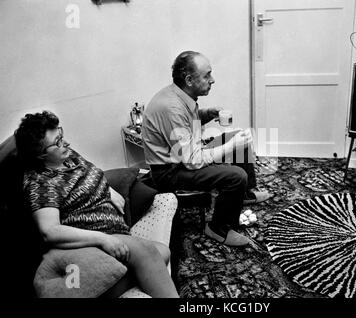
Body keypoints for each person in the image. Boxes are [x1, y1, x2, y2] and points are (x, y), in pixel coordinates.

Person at [15, 111, 179, 298]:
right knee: (148, 252)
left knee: (163, 252)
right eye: (57, 142)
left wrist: (108, 189)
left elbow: (90, 175)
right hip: (91, 242)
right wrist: (103, 239)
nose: (65, 143)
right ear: (40, 156)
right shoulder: (41, 183)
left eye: (61, 134)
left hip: (116, 231)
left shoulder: (67, 157)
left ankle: (106, 290)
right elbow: (49, 230)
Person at [141, 51, 270, 247]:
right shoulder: (172, 107)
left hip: (184, 156)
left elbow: (185, 126)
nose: (213, 80)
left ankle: (244, 195)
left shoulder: (180, 94)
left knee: (238, 137)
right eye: (207, 75)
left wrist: (206, 114)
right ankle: (218, 229)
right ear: (189, 79)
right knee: (236, 175)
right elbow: (193, 161)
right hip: (170, 172)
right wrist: (229, 147)